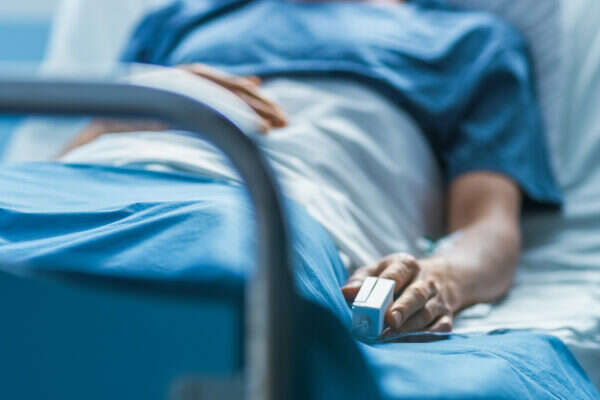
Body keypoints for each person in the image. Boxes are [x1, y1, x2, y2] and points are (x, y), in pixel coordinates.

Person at [59, 0, 562, 336]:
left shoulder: (471, 42)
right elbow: (59, 163)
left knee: (199, 286)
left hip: (267, 206)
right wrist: (141, 104)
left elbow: (487, 226)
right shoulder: (179, 18)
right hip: (84, 188)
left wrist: (440, 277)